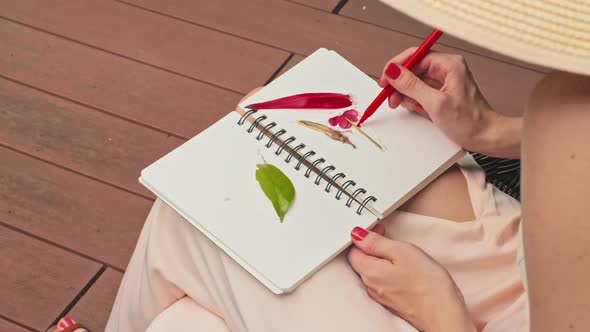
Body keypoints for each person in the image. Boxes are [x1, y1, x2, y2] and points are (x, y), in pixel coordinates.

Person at [56, 1, 589, 331]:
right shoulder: (569, 106)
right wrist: (489, 130)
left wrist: (441, 313)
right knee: (259, 121)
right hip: (532, 253)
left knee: (199, 239)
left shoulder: (569, 107)